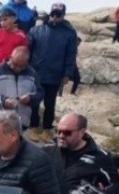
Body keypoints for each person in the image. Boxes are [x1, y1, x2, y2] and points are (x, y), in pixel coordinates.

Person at [26, 3, 77, 143]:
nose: (55, 17)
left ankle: (47, 129)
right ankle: (33, 127)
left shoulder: (69, 33)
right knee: (34, 102)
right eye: (53, 14)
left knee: (50, 103)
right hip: (35, 73)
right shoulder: (36, 30)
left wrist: (68, 73)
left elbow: (71, 55)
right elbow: (27, 50)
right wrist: (25, 68)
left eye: (58, 14)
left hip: (55, 74)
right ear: (50, 14)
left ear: (63, 16)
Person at [0, 46, 41, 130]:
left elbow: (40, 93)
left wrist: (30, 98)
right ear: (10, 57)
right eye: (15, 64)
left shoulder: (32, 74)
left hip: (21, 123)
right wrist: (3, 100)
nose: (17, 68)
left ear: (26, 62)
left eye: (21, 66)